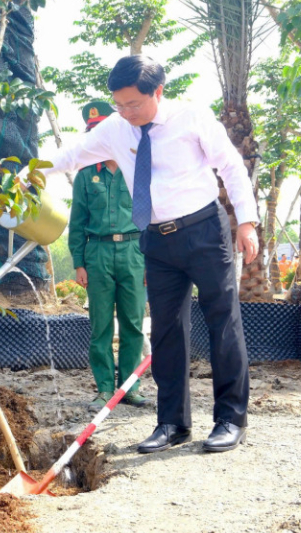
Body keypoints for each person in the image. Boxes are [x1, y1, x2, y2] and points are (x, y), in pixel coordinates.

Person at [41, 56, 259, 453]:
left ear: (158, 91)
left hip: (204, 232)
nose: (125, 112)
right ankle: (172, 423)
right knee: (165, 331)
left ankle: (230, 419)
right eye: (118, 105)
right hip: (156, 240)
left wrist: (245, 222)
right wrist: (25, 174)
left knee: (222, 323)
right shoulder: (115, 127)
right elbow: (70, 155)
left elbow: (231, 165)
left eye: (133, 104)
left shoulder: (191, 118)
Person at [69, 100, 149, 410]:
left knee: (132, 324)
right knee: (100, 325)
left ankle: (129, 388)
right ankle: (104, 389)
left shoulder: (138, 171)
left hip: (134, 253)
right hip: (98, 253)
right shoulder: (86, 176)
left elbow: (152, 217)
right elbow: (76, 223)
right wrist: (78, 263)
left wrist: (150, 261)